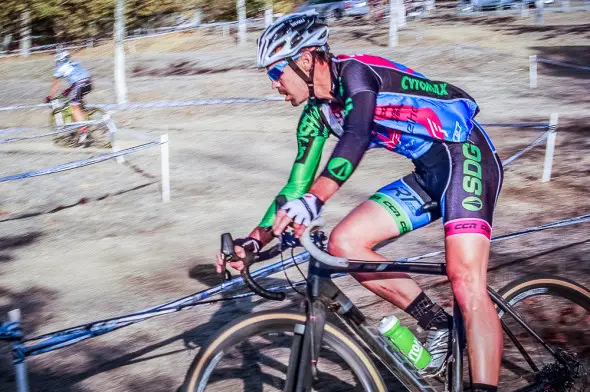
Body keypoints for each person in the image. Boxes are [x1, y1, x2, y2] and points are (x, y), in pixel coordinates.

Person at [216, 11, 503, 391]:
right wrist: (254, 241)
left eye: (274, 73)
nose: (274, 85)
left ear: (304, 60)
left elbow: (356, 134)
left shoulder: (356, 75)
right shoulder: (316, 114)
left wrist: (315, 201)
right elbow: (295, 185)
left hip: (466, 154)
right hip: (428, 171)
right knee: (343, 244)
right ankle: (437, 324)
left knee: (465, 279)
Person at [47, 50, 93, 145]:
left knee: (73, 107)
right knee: (78, 104)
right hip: (88, 83)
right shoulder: (74, 63)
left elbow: (55, 85)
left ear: (59, 60)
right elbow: (79, 77)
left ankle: (83, 132)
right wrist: (67, 90)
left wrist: (50, 97)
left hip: (79, 84)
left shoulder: (60, 67)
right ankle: (86, 120)